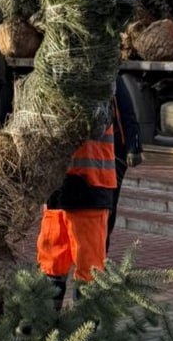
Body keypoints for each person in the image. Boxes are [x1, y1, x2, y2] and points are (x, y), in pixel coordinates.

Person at [36, 101, 117, 309]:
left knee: (89, 270)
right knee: (51, 264)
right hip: (57, 191)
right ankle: (46, 331)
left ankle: (85, 335)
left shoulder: (99, 94)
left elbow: (95, 122)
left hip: (89, 191)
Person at [107, 76, 143, 253]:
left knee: (106, 209)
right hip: (96, 159)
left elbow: (127, 113)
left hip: (113, 156)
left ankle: (98, 258)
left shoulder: (112, 80)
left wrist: (133, 147)